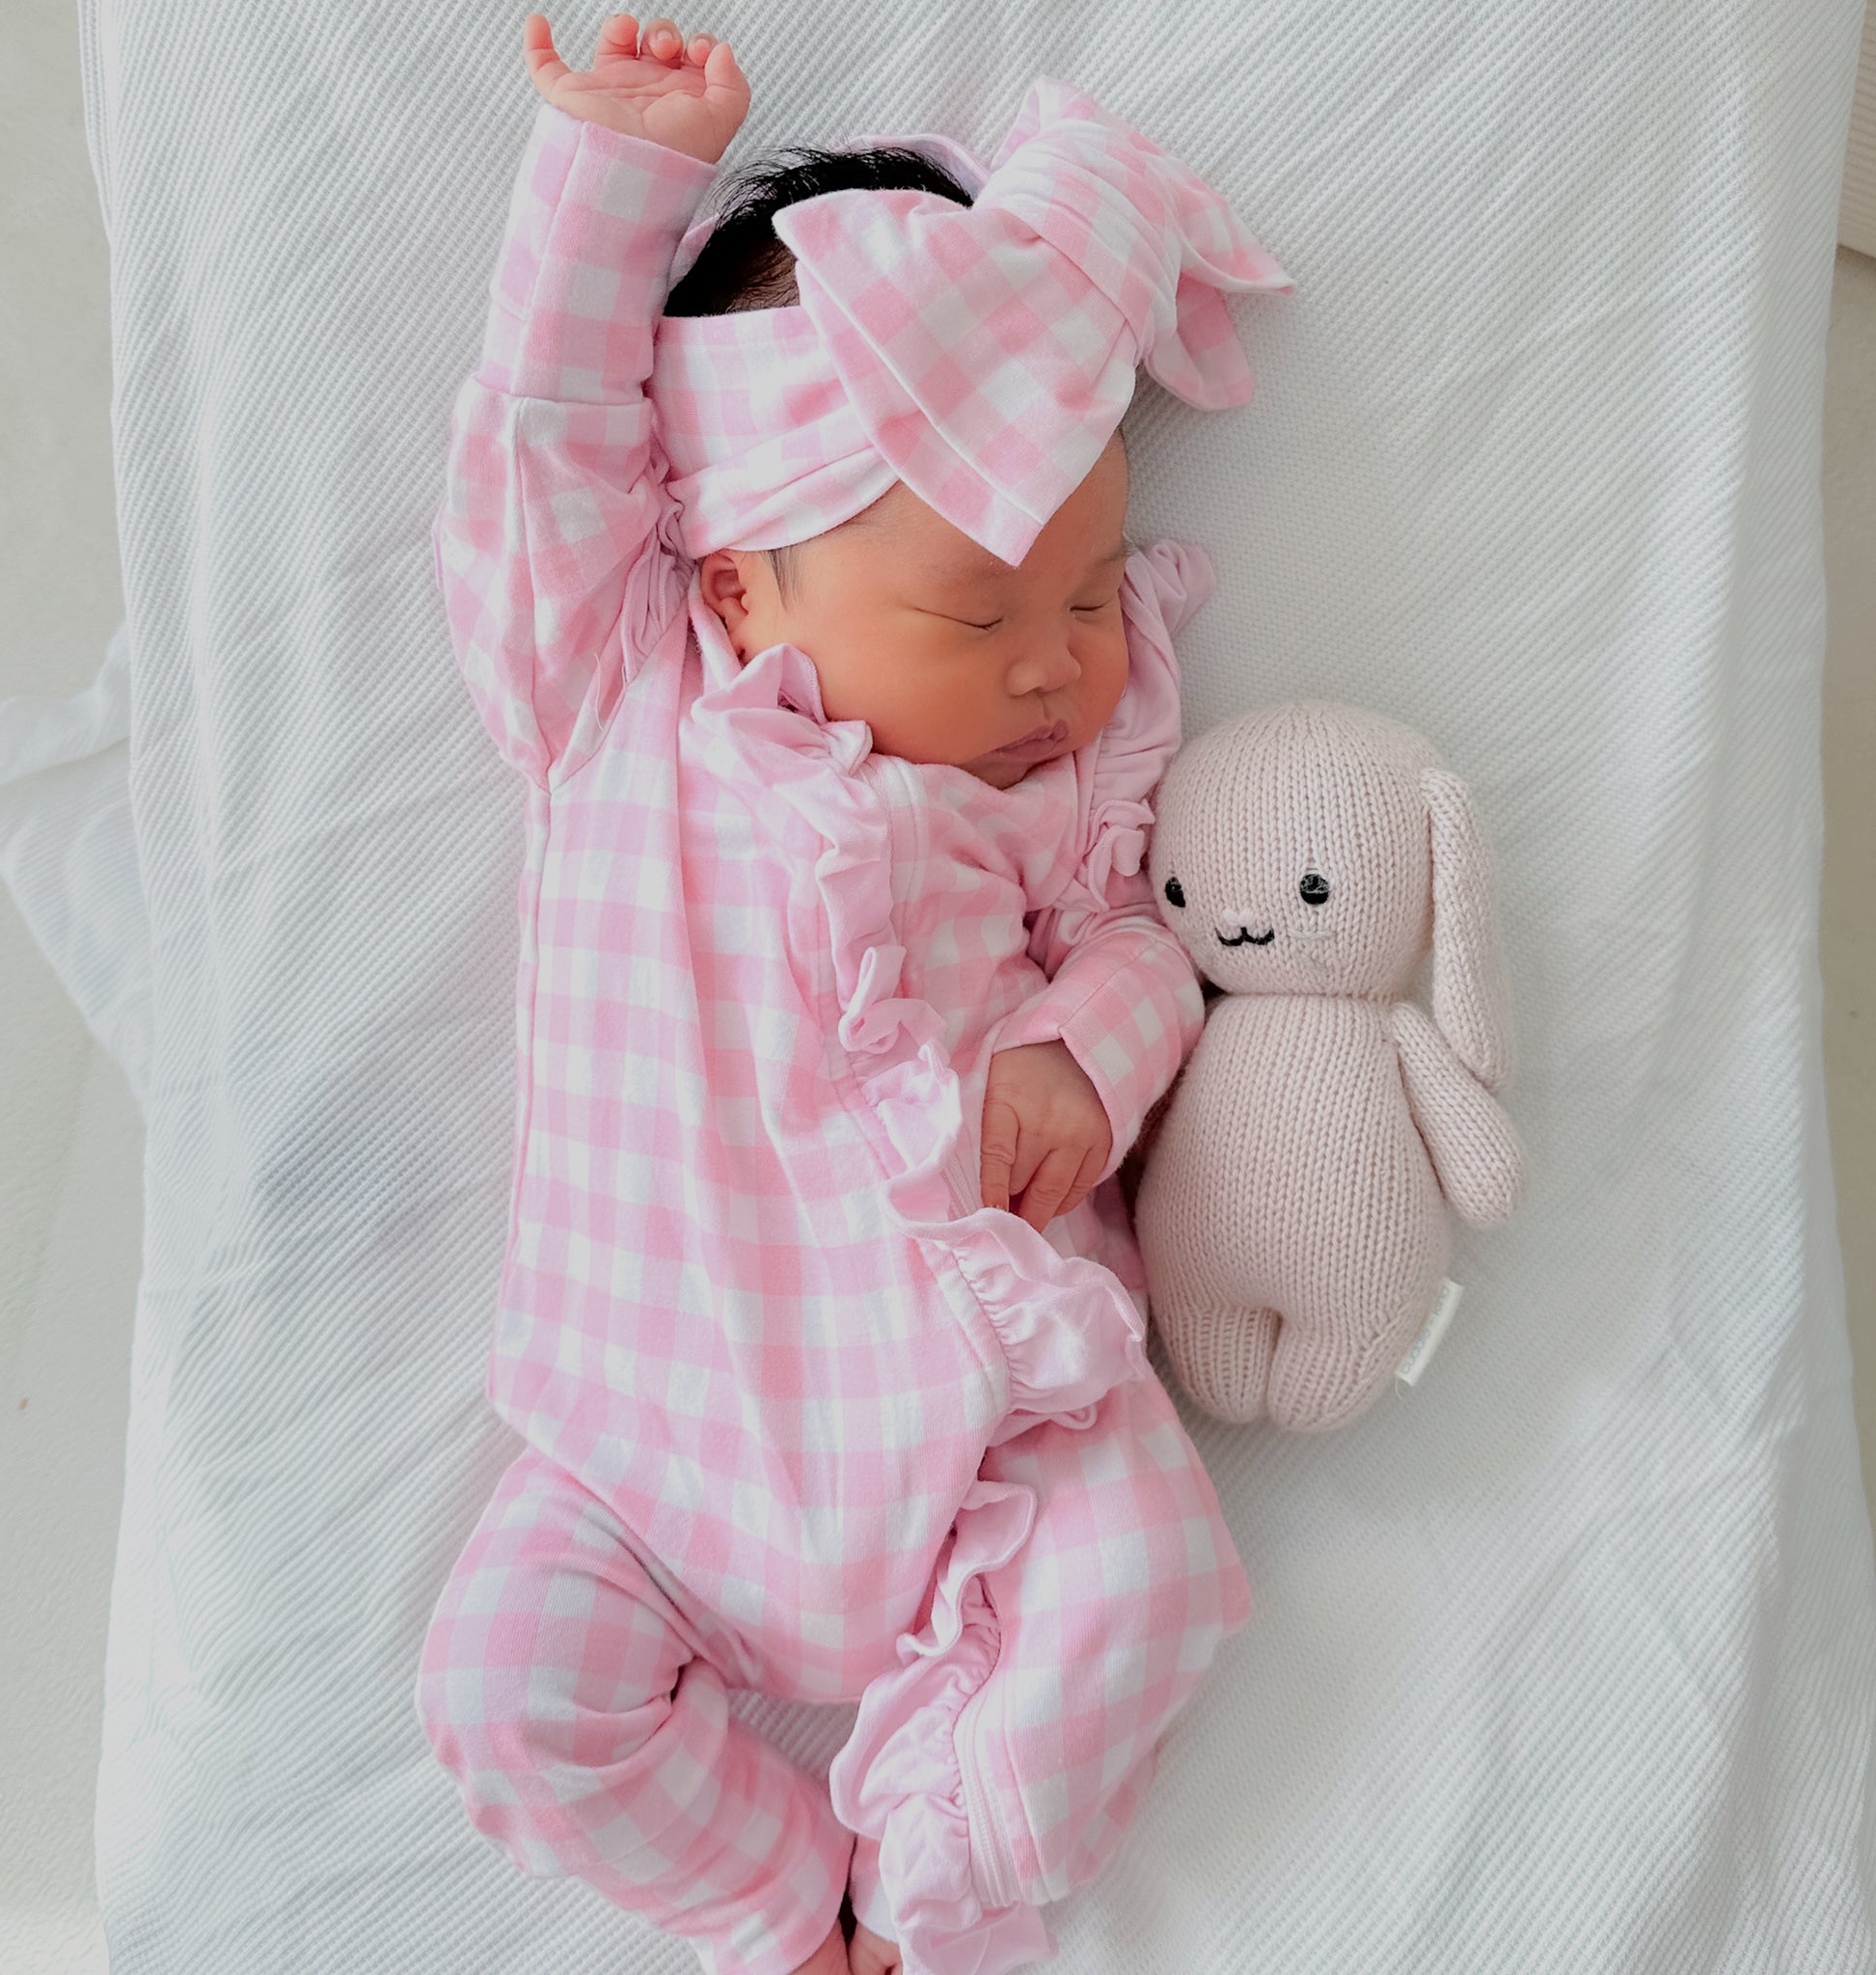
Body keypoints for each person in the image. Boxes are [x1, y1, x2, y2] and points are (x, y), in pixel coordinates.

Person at [415, 16, 1288, 1974]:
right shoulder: (621, 700)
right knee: (499, 1688)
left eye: (1086, 591)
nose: (1061, 663)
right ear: (734, 588)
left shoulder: (1049, 805)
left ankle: (928, 1897)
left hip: (984, 1414)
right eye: (978, 619)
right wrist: (614, 166)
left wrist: (1092, 1047)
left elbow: (1153, 945)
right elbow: (547, 435)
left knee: (1148, 1573)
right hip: (644, 1446)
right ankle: (772, 1900)